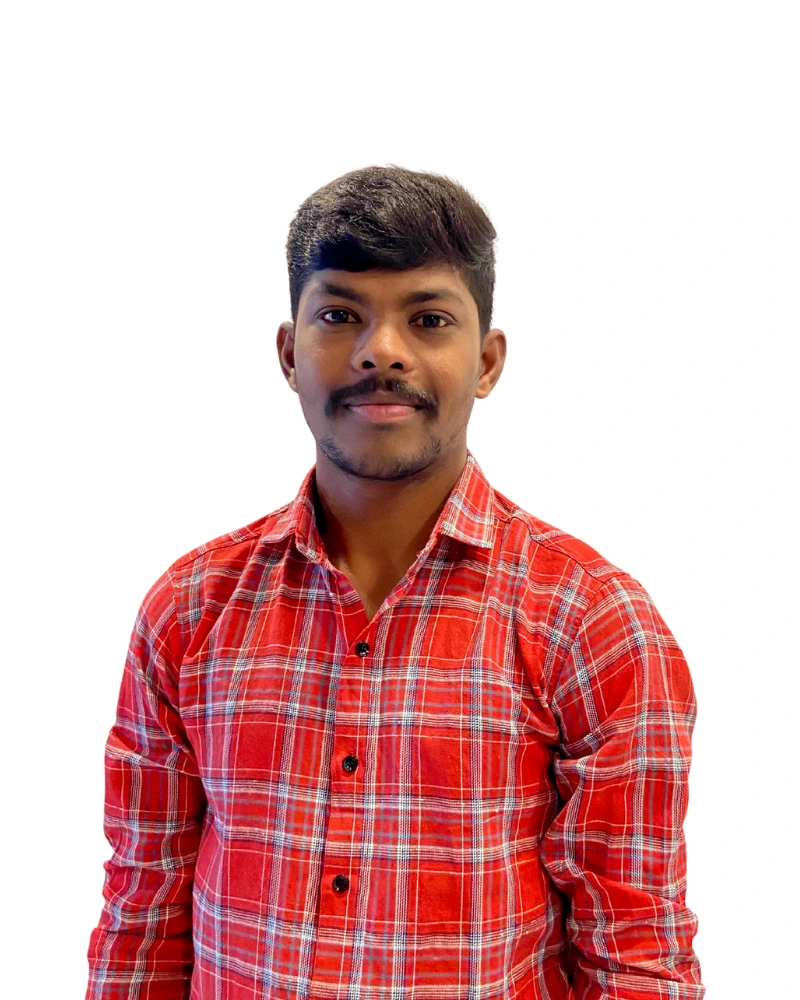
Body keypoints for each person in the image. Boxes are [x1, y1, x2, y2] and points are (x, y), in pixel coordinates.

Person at [86, 165, 705, 999]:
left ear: (486, 361)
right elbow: (142, 915)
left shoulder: (592, 622)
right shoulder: (191, 609)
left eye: (429, 319)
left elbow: (636, 949)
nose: (382, 350)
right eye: (340, 315)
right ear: (288, 353)